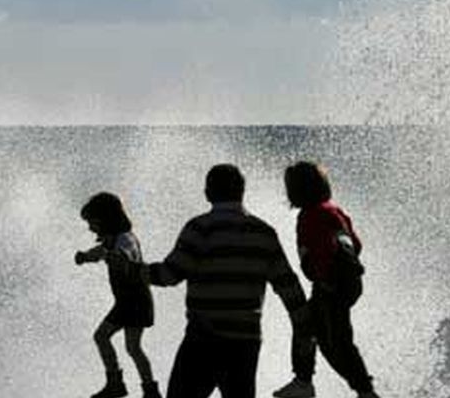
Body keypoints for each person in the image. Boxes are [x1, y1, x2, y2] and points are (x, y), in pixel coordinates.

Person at [112, 164, 309, 398]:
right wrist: (304, 332)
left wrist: (130, 270)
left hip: (203, 339)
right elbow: (290, 289)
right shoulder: (263, 233)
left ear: (208, 193)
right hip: (244, 344)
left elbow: (168, 275)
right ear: (242, 192)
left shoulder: (199, 229)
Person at [272, 161, 379, 398]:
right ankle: (304, 381)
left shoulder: (312, 216)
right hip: (344, 281)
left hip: (331, 284)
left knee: (334, 342)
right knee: (308, 327)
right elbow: (355, 243)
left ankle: (364, 390)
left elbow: (327, 249)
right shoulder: (333, 210)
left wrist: (325, 279)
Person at [75, 192, 161, 398]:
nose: (90, 227)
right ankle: (126, 385)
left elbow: (126, 253)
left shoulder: (125, 239)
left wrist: (114, 256)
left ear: (106, 219)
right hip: (126, 302)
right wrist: (86, 256)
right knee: (121, 343)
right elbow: (100, 251)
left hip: (136, 301)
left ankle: (134, 388)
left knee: (128, 345)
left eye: (92, 222)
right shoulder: (110, 240)